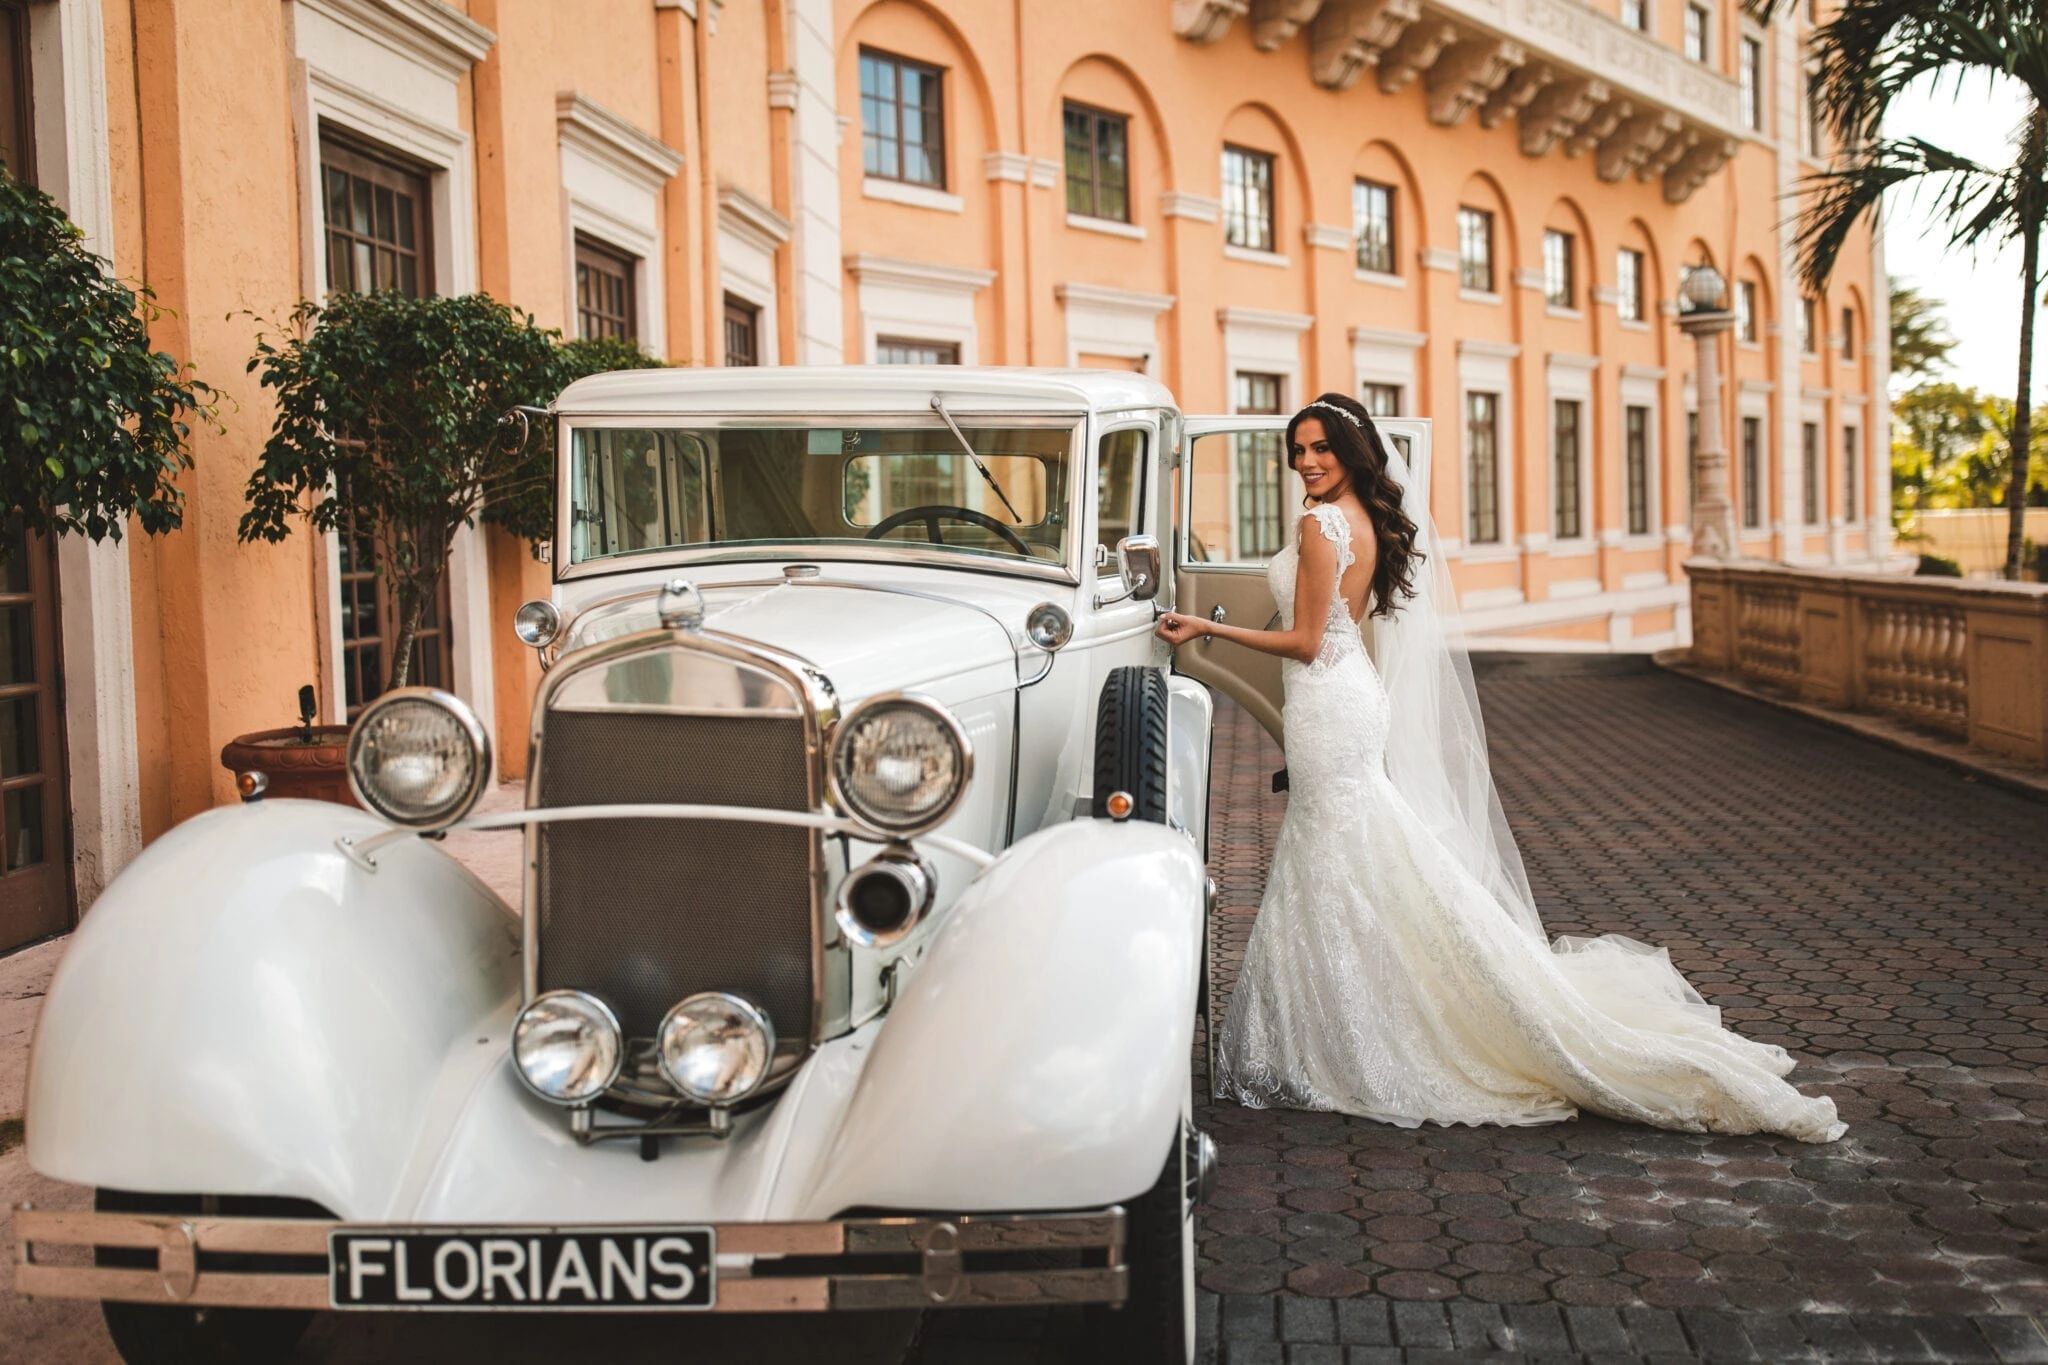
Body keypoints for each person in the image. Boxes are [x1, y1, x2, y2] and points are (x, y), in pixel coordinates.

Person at [1155, 392, 1843, 1142]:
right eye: (1298, 449)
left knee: (1344, 854)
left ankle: (1356, 1026)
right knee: (1354, 854)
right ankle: (1351, 1012)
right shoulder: (1360, 520)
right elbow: (1335, 629)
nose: (1307, 461)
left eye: (1321, 448)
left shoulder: (1319, 524)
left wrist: (1203, 629)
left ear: (1351, 453)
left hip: (1328, 697)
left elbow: (1310, 641)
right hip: (1346, 699)